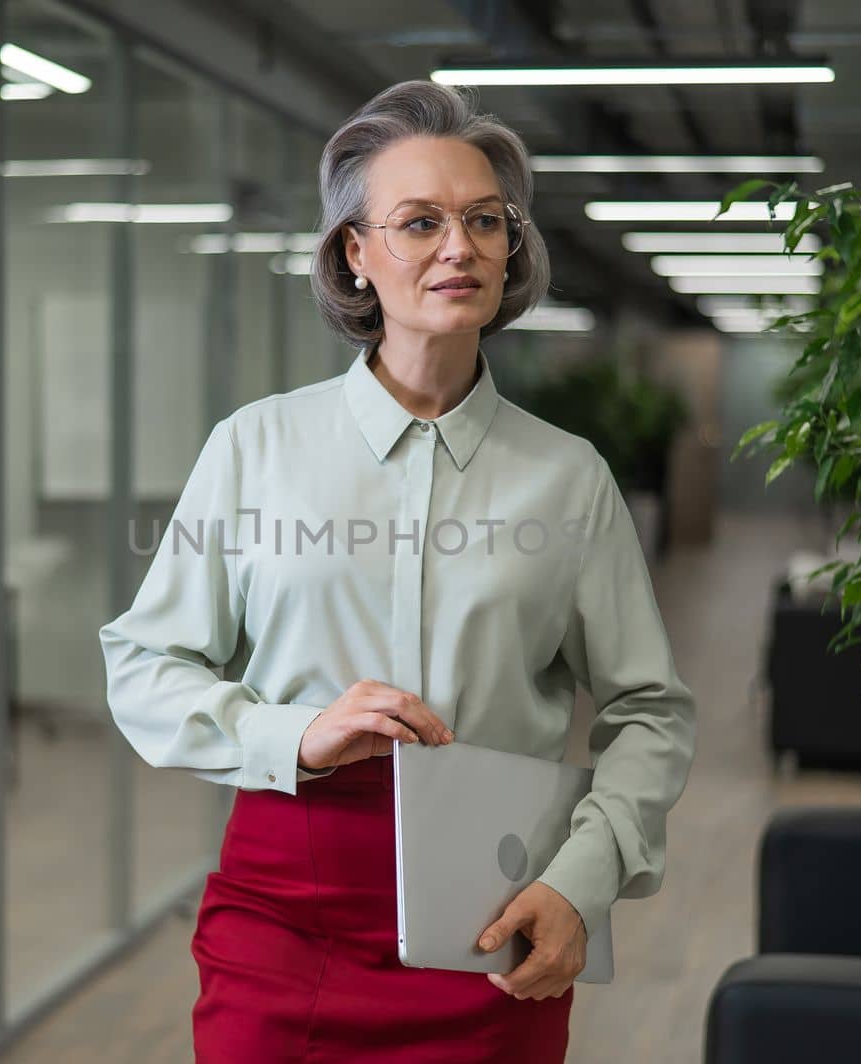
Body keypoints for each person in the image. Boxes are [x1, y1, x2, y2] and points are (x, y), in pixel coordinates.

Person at [99, 79, 696, 1062]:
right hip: (286, 913)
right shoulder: (256, 447)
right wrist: (293, 731)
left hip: (498, 913)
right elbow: (144, 663)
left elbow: (651, 709)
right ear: (355, 252)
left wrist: (581, 877)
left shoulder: (568, 478)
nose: (457, 248)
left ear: (511, 248)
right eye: (419, 222)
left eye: (484, 222)